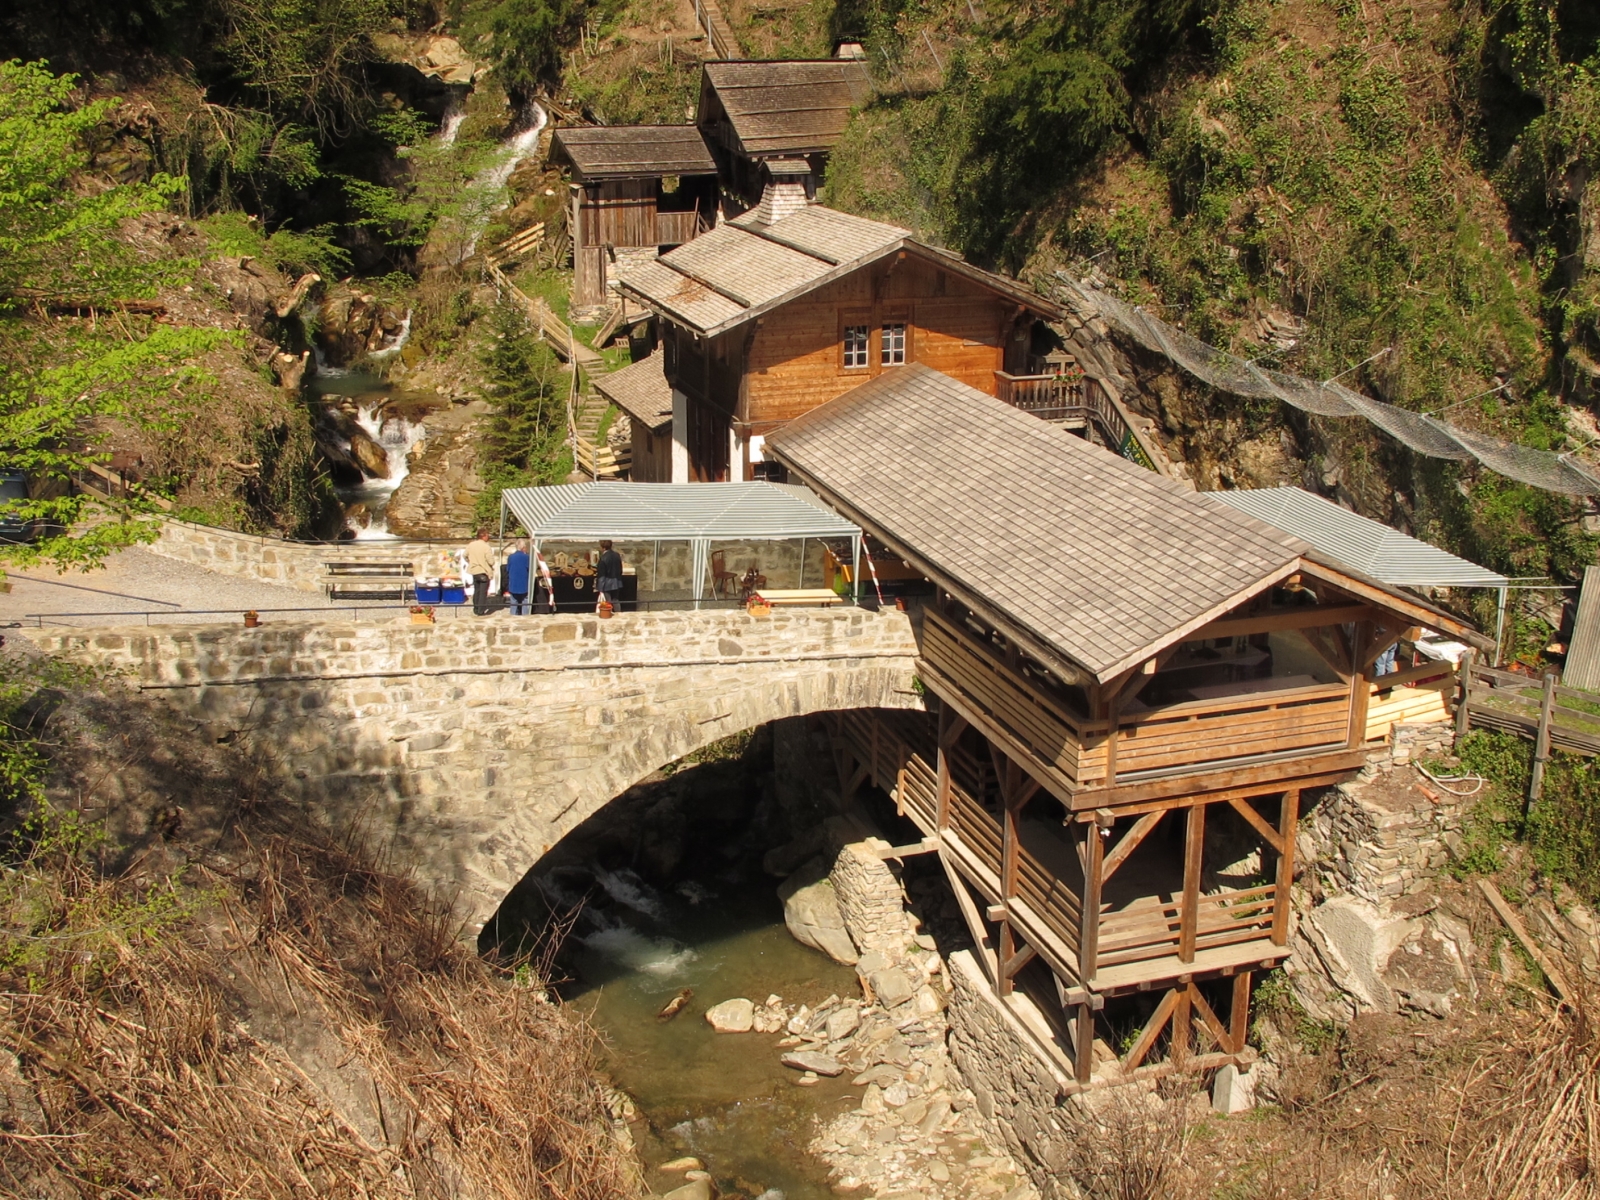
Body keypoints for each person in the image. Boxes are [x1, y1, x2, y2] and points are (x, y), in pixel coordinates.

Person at [465, 529, 495, 616]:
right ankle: (480, 610)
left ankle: (476, 608)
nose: (488, 537)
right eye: (487, 535)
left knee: (477, 590)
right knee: (483, 592)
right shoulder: (486, 547)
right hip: (483, 571)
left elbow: (464, 555)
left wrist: (470, 561)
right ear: (484, 536)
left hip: (474, 571)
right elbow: (491, 562)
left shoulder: (471, 545)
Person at [595, 539, 623, 611]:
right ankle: (619, 615)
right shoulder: (617, 555)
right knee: (616, 600)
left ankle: (608, 615)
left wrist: (600, 588)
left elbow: (601, 575)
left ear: (603, 547)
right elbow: (620, 569)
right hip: (617, 581)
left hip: (606, 583)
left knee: (608, 602)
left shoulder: (603, 558)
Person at [505, 538, 531, 615]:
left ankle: (513, 619)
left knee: (513, 604)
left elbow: (508, 569)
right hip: (524, 584)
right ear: (524, 547)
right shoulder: (527, 557)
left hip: (513, 584)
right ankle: (524, 619)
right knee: (525, 603)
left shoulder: (511, 557)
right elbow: (529, 569)